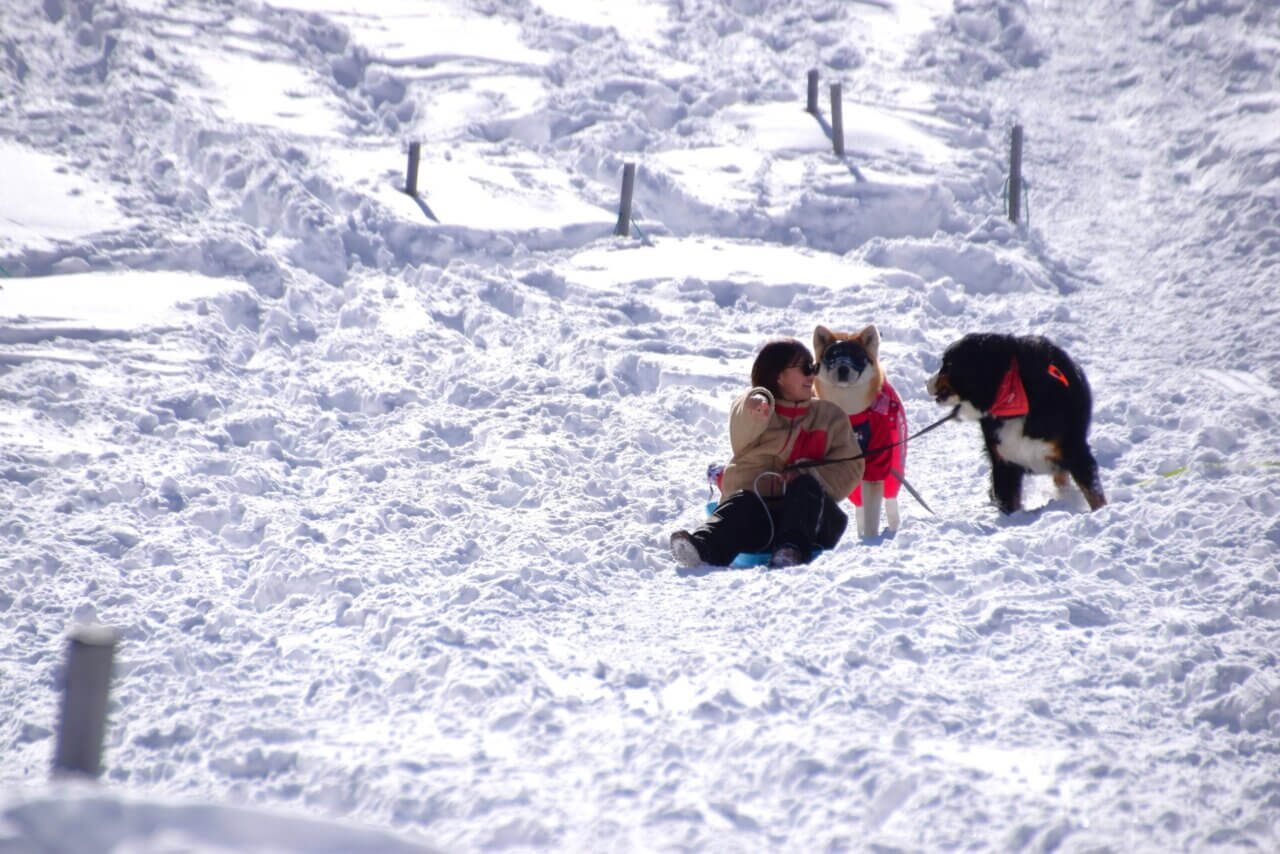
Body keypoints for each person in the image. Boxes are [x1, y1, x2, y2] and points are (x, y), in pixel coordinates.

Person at [670, 338, 865, 568]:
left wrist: (806, 472)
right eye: (805, 369)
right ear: (778, 376)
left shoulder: (830, 417)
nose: (812, 376)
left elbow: (851, 467)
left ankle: (790, 551)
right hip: (760, 522)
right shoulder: (758, 412)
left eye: (814, 368)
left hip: (813, 521)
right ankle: (701, 549)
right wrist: (756, 405)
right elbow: (741, 425)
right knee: (743, 502)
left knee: (806, 487)